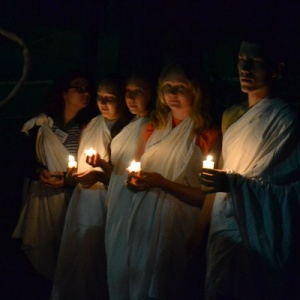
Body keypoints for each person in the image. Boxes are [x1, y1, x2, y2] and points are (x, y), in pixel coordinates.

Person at [200, 33, 300, 300]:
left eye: (255, 61)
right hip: (224, 225)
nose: (245, 69)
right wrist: (199, 229)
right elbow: (220, 172)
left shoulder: (287, 120)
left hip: (256, 228)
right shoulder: (231, 114)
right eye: (241, 60)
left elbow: (289, 190)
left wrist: (234, 185)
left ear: (277, 69)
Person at [109, 61, 221, 300]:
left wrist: (163, 183)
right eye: (167, 86)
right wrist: (133, 182)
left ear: (196, 90)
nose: (171, 94)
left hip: (179, 222)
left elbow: (209, 196)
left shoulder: (207, 132)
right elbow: (135, 171)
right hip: (142, 219)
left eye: (180, 87)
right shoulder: (153, 125)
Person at [51, 75, 132, 300]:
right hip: (82, 202)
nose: (103, 103)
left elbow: (126, 175)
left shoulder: (128, 130)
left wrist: (100, 174)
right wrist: (72, 176)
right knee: (77, 258)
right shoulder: (91, 125)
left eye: (110, 98)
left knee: (99, 260)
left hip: (110, 204)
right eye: (99, 97)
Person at [12, 71, 92, 280]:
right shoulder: (42, 126)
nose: (85, 93)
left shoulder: (89, 127)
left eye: (87, 89)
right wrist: (40, 172)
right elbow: (23, 160)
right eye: (78, 88)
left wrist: (69, 180)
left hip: (71, 196)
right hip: (42, 194)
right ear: (64, 93)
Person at [103, 73, 156, 300]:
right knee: (114, 259)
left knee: (127, 261)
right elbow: (116, 170)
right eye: (128, 92)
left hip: (132, 199)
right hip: (116, 198)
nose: (131, 98)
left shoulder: (151, 125)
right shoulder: (129, 124)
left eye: (139, 92)